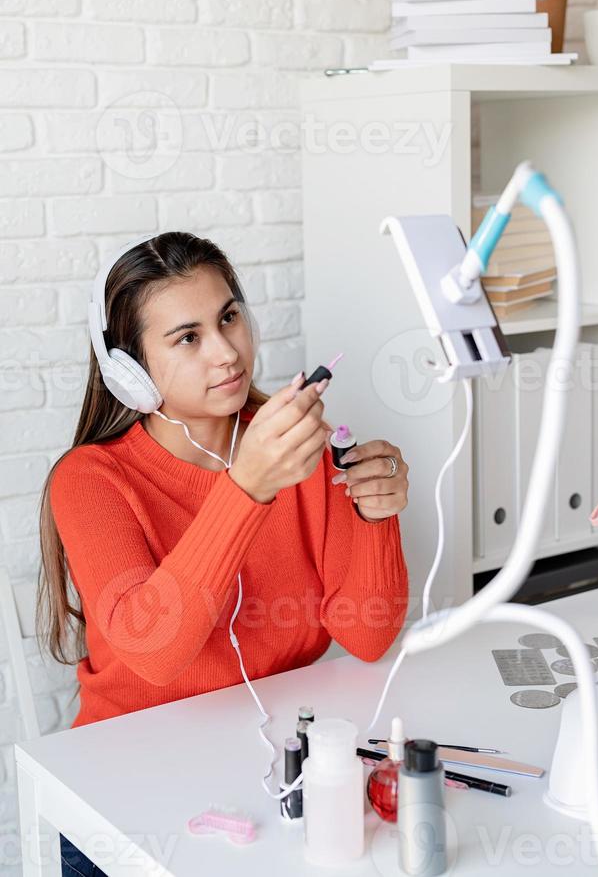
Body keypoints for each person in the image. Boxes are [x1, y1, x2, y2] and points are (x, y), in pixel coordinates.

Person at [36, 231, 410, 876]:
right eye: (188, 337)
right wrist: (246, 490)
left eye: (229, 316)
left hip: (274, 765)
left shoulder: (296, 447)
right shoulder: (91, 480)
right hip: (127, 783)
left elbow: (368, 636)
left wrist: (376, 515)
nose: (227, 352)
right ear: (130, 373)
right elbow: (153, 651)